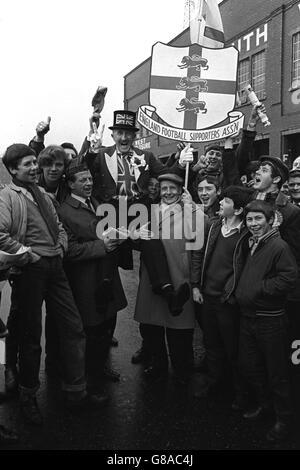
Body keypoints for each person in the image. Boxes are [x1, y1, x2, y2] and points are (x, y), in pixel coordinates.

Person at [0, 144, 108, 425]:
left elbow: (58, 225)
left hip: (55, 268)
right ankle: (28, 397)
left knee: (73, 327)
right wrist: (28, 254)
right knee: (31, 337)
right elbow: (0, 233)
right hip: (31, 271)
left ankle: (76, 393)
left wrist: (59, 245)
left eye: (35, 162)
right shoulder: (8, 196)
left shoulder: (45, 196)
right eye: (27, 164)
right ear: (13, 170)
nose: (34, 168)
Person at [84, 109, 191, 315]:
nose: (124, 137)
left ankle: (168, 292)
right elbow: (84, 168)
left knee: (152, 241)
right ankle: (104, 290)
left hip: (138, 210)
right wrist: (90, 145)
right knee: (109, 243)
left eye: (128, 133)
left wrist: (181, 163)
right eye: (120, 133)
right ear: (113, 135)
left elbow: (166, 175)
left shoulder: (146, 156)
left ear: (135, 136)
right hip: (111, 209)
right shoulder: (101, 154)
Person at [58, 158, 127, 388]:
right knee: (93, 330)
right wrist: (102, 247)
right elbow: (69, 250)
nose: (88, 183)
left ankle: (101, 369)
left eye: (90, 178)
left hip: (106, 275)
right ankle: (90, 379)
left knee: (108, 323)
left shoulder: (95, 202)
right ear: (70, 184)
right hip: (87, 281)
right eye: (82, 180)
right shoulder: (64, 212)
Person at [134, 171, 207, 384]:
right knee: (152, 327)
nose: (167, 192)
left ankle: (182, 368)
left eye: (172, 188)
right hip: (152, 279)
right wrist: (136, 235)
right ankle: (158, 365)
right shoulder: (150, 210)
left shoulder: (191, 211)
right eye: (164, 188)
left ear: (181, 190)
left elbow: (201, 233)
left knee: (179, 330)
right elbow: (139, 240)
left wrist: (191, 205)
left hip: (179, 278)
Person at [234, 200, 297, 442]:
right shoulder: (249, 242)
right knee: (251, 365)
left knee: (277, 373)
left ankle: (284, 420)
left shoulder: (279, 246)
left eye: (258, 219)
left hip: (270, 320)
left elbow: (290, 278)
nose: (253, 224)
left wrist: (259, 289)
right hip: (248, 318)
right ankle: (265, 405)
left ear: (270, 220)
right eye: (249, 219)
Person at [191, 186, 252, 405]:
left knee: (233, 348)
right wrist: (196, 285)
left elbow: (245, 270)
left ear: (237, 210)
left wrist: (231, 294)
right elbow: (198, 255)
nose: (220, 203)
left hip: (227, 301)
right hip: (207, 297)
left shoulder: (246, 235)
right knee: (211, 343)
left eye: (225, 201)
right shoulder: (214, 226)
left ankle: (239, 392)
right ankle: (214, 382)